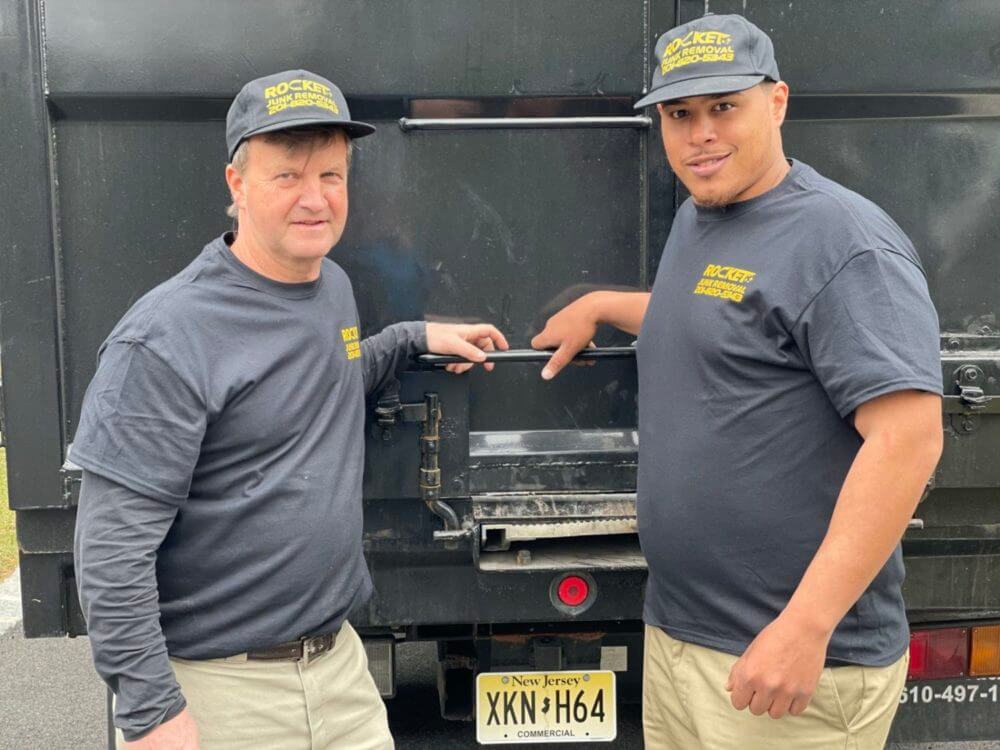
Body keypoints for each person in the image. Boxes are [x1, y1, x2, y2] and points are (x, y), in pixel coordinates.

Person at [531, 15, 943, 749]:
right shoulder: (705, 217)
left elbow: (907, 439)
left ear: (777, 103)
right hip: (684, 643)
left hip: (787, 667)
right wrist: (602, 306)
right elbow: (724, 315)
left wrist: (804, 628)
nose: (701, 135)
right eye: (680, 114)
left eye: (725, 107)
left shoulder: (844, 243)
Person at [72, 69, 507, 749]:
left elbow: (330, 378)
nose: (316, 199)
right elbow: (110, 551)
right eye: (288, 176)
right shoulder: (165, 339)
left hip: (340, 676)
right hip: (222, 696)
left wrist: (411, 337)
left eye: (331, 176)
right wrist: (152, 712)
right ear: (236, 184)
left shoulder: (329, 286)